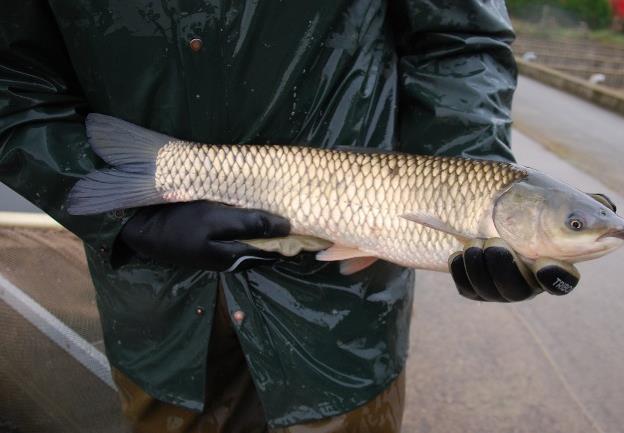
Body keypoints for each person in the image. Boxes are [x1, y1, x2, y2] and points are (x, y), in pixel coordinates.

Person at [0, 1, 582, 431]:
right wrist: (127, 217)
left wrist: (469, 177)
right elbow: (11, 84)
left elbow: (460, 37)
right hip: (155, 308)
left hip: (340, 324)